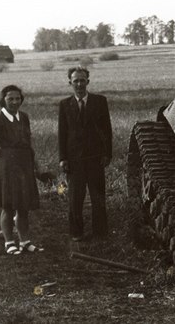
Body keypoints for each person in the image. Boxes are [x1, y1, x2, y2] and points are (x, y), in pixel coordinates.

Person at [0, 85, 44, 254]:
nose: (14, 102)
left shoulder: (24, 117)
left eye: (17, 98)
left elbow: (29, 143)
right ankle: (9, 242)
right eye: (10, 98)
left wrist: (35, 165)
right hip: (8, 168)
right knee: (8, 206)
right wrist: (9, 157)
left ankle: (25, 241)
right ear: (3, 100)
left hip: (25, 166)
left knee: (24, 206)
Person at [58, 67, 112, 242]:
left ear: (88, 81)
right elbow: (62, 133)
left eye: (82, 80)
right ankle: (76, 233)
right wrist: (62, 158)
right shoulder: (65, 105)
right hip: (74, 161)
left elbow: (106, 130)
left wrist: (107, 154)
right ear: (70, 83)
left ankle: (100, 232)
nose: (79, 84)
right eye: (76, 81)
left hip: (95, 158)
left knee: (98, 196)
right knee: (75, 198)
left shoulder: (100, 101)